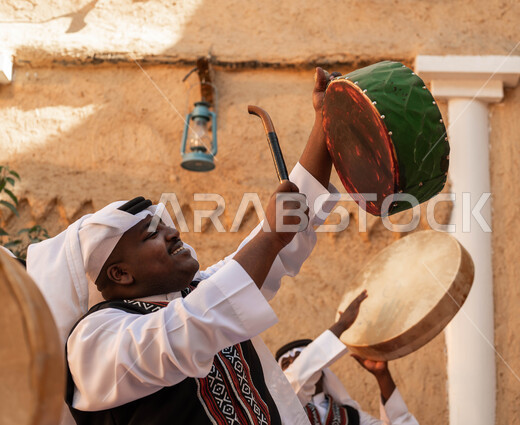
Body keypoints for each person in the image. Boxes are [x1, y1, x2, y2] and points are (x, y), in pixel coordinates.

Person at [26, 68, 340, 425]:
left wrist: (326, 124)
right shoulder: (94, 340)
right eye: (152, 235)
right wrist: (271, 236)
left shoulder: (200, 292)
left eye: (167, 227)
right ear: (120, 273)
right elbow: (188, 331)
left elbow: (277, 244)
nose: (173, 234)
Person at [276, 291, 419, 425]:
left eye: (300, 357)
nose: (295, 363)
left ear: (322, 367)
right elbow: (294, 380)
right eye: (287, 364)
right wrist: (341, 325)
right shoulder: (280, 410)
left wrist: (383, 376)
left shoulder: (350, 416)